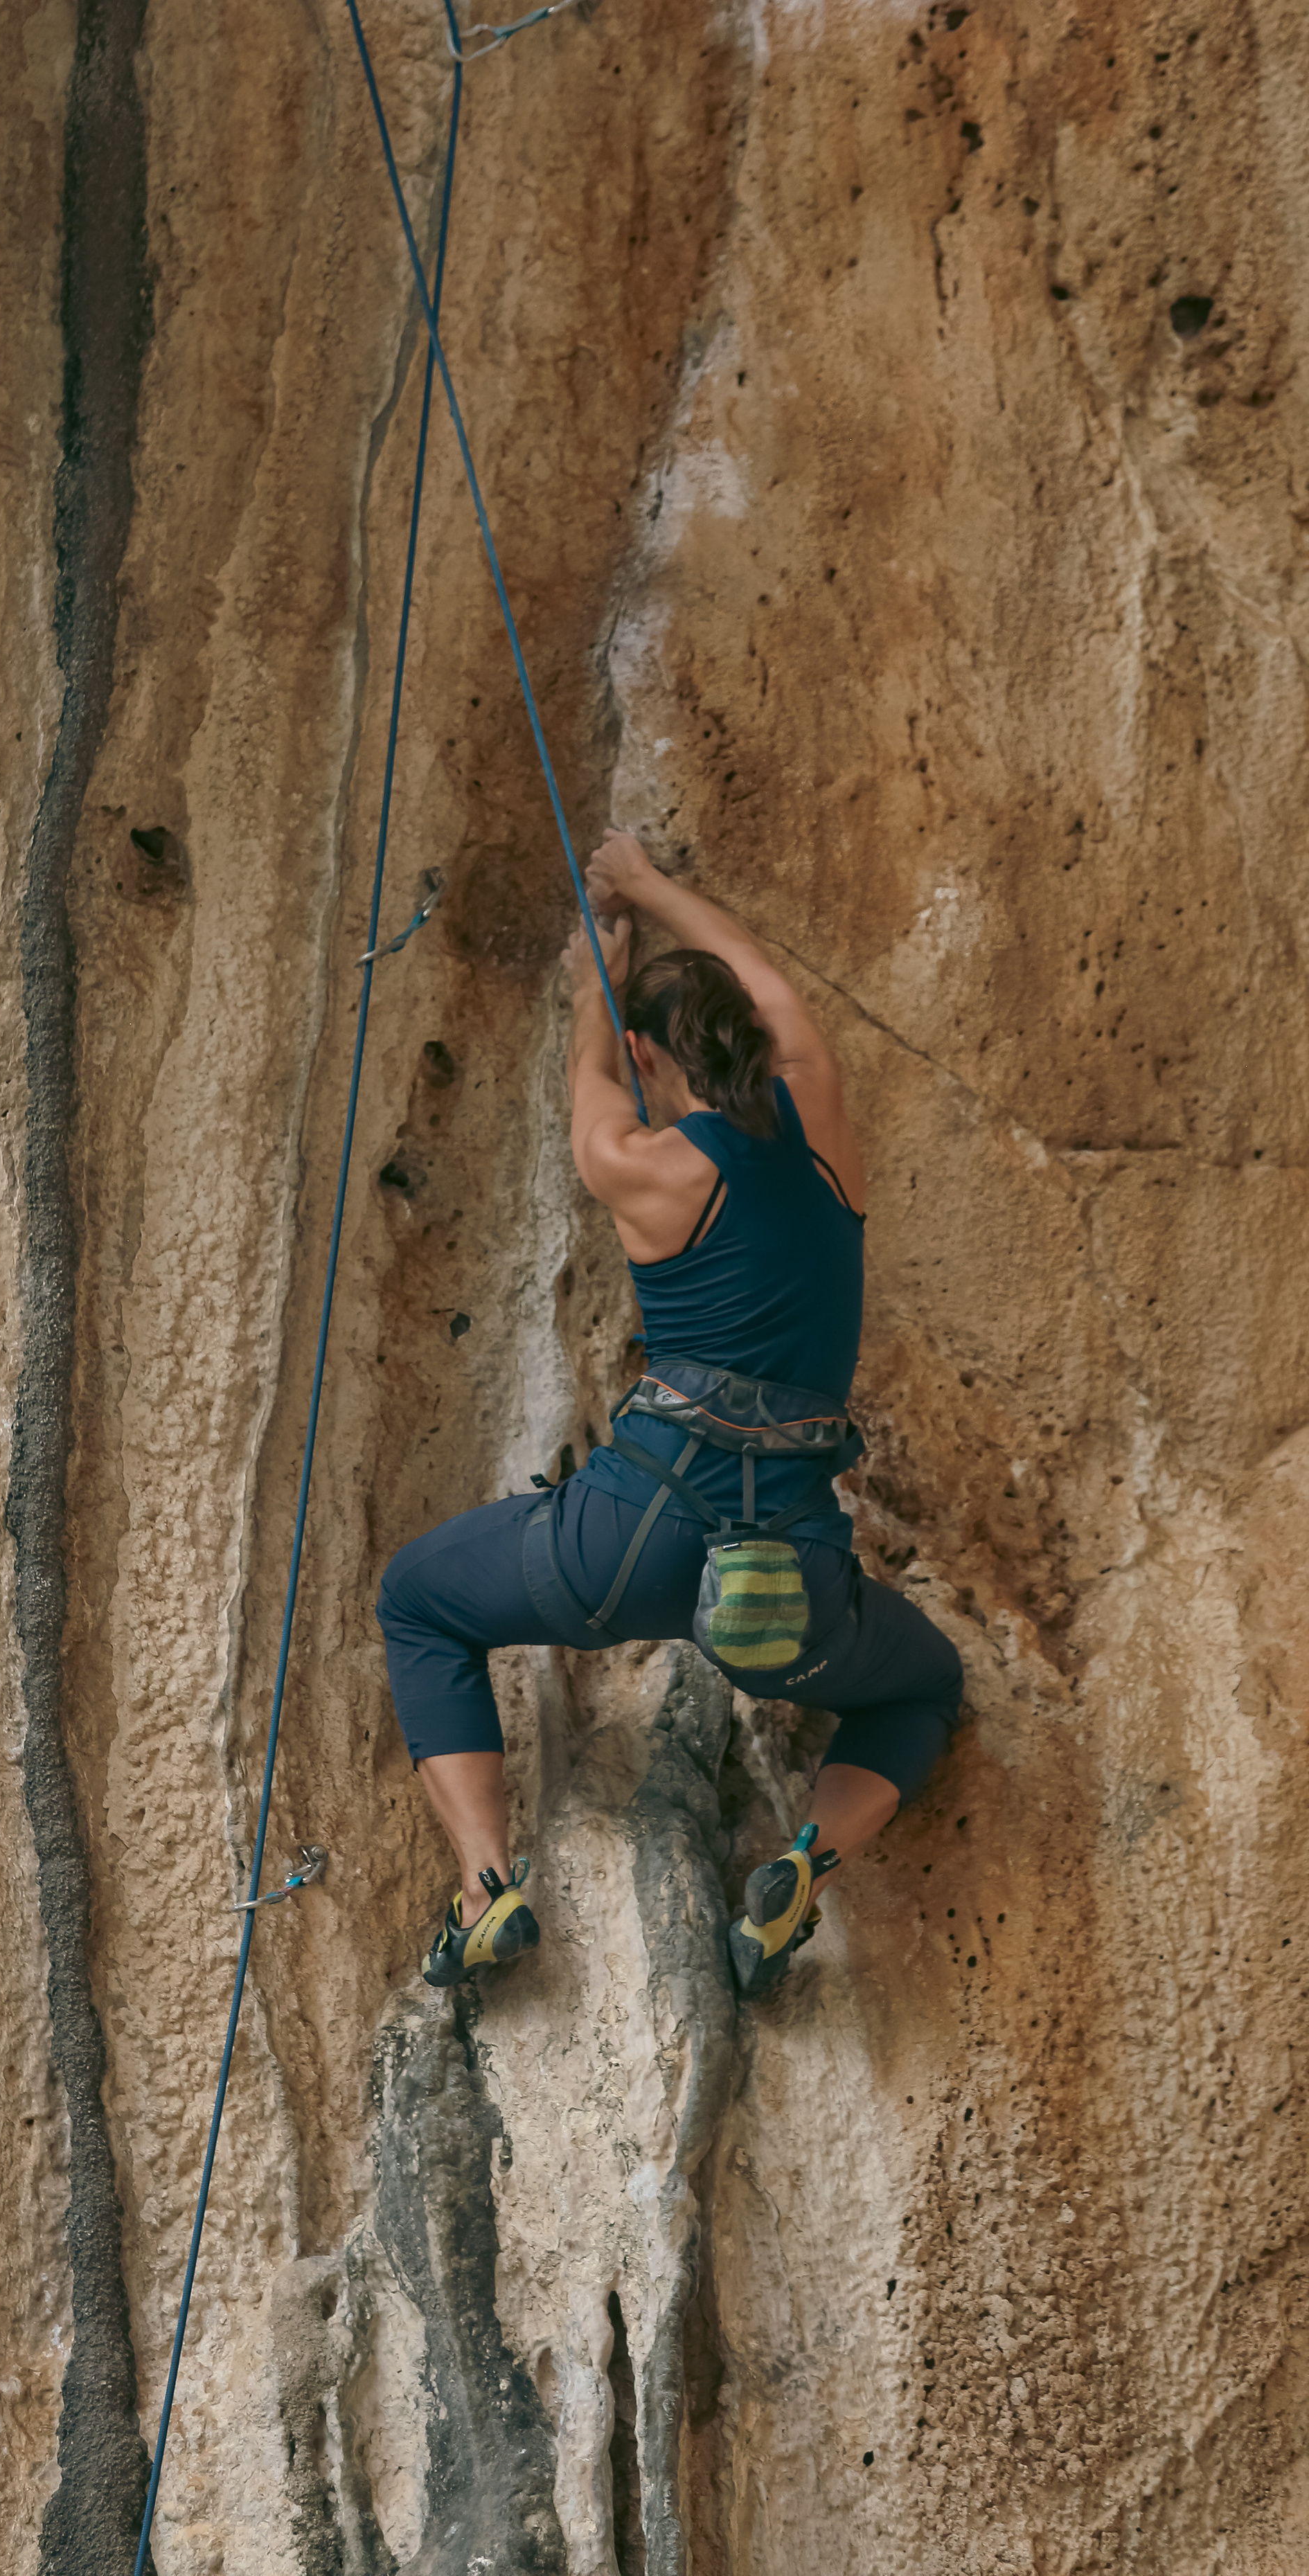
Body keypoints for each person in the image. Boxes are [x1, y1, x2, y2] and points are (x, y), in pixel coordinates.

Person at [377, 828, 962, 1998]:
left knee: (420, 1599)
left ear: (657, 1055)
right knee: (923, 1686)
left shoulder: (646, 1169)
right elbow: (775, 991)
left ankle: (489, 1889)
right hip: (781, 1586)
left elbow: (589, 1090)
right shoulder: (823, 1128)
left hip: (626, 1544)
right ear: (755, 1043)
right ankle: (807, 1864)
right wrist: (650, 883)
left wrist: (598, 973)